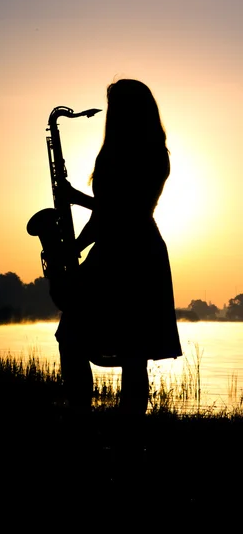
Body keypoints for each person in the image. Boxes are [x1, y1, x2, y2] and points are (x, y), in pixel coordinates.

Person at [55, 78, 183, 418]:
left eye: (115, 106)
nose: (110, 113)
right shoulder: (112, 154)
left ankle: (128, 441)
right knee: (71, 338)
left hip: (136, 254)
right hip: (114, 251)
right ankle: (84, 421)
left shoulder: (155, 156)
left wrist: (75, 198)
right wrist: (74, 247)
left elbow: (126, 209)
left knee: (132, 354)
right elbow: (105, 214)